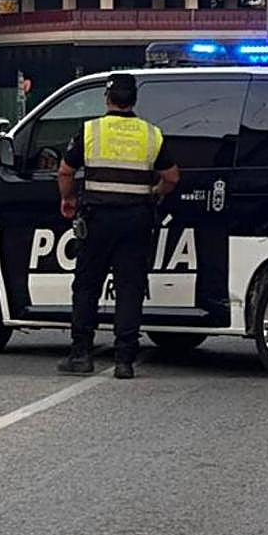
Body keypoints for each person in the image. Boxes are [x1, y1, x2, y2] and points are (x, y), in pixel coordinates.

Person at [55, 73, 180, 379]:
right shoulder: (151, 134)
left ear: (107, 98)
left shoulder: (90, 131)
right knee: (130, 288)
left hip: (97, 220)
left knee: (86, 286)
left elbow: (65, 172)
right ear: (134, 100)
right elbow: (173, 177)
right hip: (136, 219)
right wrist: (153, 194)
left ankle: (81, 354)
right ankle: (125, 360)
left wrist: (68, 200)